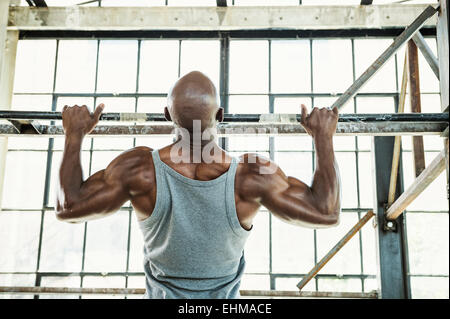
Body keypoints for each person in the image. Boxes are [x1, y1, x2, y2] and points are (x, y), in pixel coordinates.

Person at [56, 71, 341, 299]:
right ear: (220, 116)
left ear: (167, 115)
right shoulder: (251, 174)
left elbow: (69, 206)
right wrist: (323, 138)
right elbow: (325, 212)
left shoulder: (139, 168)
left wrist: (74, 134)